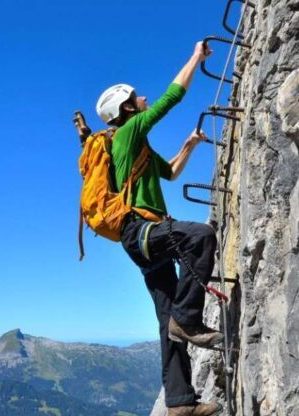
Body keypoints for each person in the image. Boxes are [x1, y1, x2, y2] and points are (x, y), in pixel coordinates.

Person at [95, 42, 223, 416]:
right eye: (136, 98)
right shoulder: (128, 132)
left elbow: (169, 172)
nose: (143, 98)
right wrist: (196, 57)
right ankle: (188, 319)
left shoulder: (137, 149)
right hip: (142, 232)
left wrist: (189, 145)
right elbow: (172, 97)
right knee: (201, 236)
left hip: (142, 241)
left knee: (167, 322)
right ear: (126, 109)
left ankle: (180, 403)